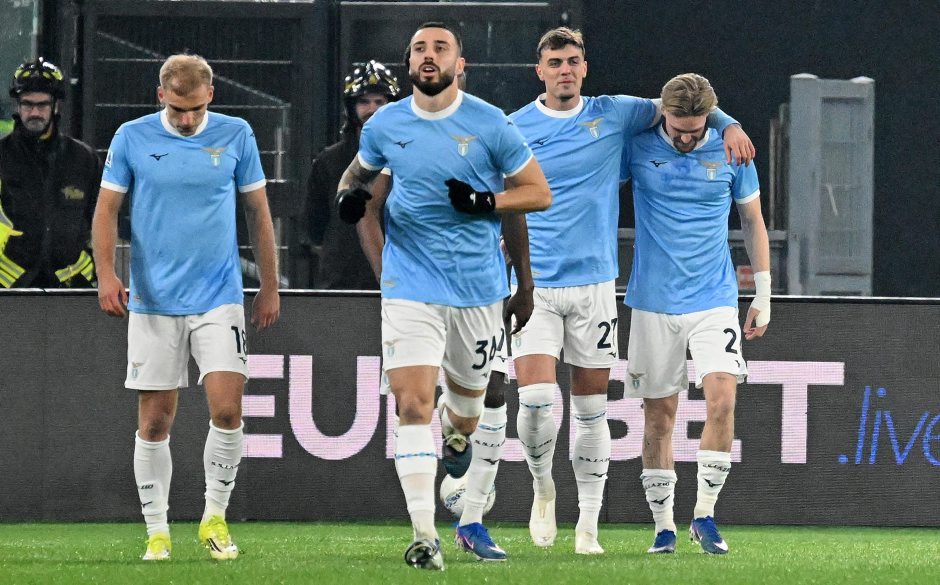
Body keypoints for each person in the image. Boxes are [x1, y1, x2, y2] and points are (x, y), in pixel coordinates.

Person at [507, 27, 755, 555]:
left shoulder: (617, 114)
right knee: (538, 402)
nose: (565, 70)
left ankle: (592, 527)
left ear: (585, 66)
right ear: (540, 70)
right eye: (556, 62)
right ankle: (545, 487)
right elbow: (495, 191)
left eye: (573, 60)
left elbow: (685, 104)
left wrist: (730, 123)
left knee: (596, 409)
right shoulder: (515, 126)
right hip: (542, 284)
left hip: (601, 284)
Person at [335, 21, 550, 570]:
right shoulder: (386, 124)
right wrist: (348, 199)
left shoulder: (491, 123)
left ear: (461, 63)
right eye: (419, 49)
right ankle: (424, 536)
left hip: (477, 290)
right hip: (410, 285)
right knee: (412, 404)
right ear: (409, 64)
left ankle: (457, 435)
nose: (428, 56)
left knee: (468, 415)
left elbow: (537, 194)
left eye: (440, 48)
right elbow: (354, 179)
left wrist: (486, 207)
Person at [92, 53, 281, 562]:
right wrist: (106, 273)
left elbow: (258, 212)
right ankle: (157, 531)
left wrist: (269, 285)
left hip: (219, 297)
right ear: (161, 96)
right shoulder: (131, 137)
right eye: (177, 109)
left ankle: (214, 517)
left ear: (210, 96)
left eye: (196, 108)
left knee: (228, 409)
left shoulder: (236, 134)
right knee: (155, 422)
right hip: (153, 301)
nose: (187, 119)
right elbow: (107, 209)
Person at [622, 73, 770, 555]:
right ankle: (663, 526)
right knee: (658, 418)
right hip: (653, 301)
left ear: (709, 117)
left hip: (714, 299)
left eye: (697, 129)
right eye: (678, 129)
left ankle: (704, 515)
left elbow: (752, 220)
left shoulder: (733, 150)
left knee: (722, 400)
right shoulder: (637, 146)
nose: (687, 139)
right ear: (664, 114)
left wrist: (763, 293)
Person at [0, 58, 100, 288]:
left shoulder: (84, 159)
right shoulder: (2, 156)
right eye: (27, 104)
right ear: (17, 106)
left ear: (55, 106)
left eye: (42, 105)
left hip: (73, 284)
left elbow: (102, 220)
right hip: (8, 287)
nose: (34, 112)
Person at [306, 60, 400, 289]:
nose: (372, 109)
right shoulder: (328, 161)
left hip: (398, 283)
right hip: (340, 283)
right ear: (351, 107)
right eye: (364, 101)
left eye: (380, 102)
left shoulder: (407, 159)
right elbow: (313, 226)